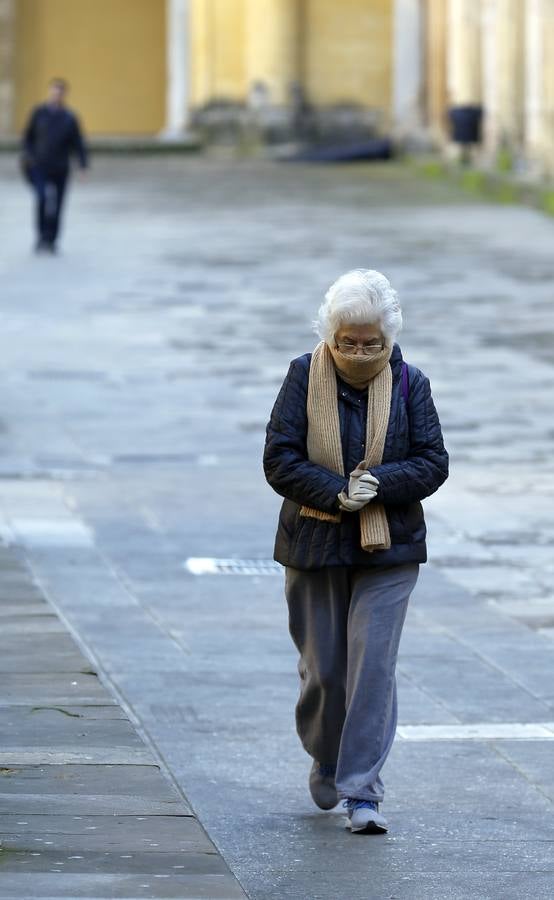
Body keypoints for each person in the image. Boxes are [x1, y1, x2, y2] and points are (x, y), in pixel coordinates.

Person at [263, 269, 449, 835]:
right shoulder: (303, 375)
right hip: (314, 543)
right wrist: (337, 492)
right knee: (325, 672)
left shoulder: (411, 383)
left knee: (373, 668)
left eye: (373, 342)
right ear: (331, 336)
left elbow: (433, 461)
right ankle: (326, 753)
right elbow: (279, 458)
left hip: (388, 546)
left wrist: (380, 484)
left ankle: (362, 790)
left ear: (389, 337)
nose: (362, 351)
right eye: (349, 341)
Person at [22, 77, 88, 253]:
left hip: (60, 167)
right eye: (54, 91)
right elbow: (28, 137)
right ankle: (41, 237)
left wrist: (82, 165)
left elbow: (78, 143)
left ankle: (52, 240)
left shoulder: (69, 118)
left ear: (64, 94)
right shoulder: (39, 113)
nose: (56, 95)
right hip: (40, 165)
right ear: (50, 92)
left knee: (58, 204)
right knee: (42, 198)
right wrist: (27, 156)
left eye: (60, 92)